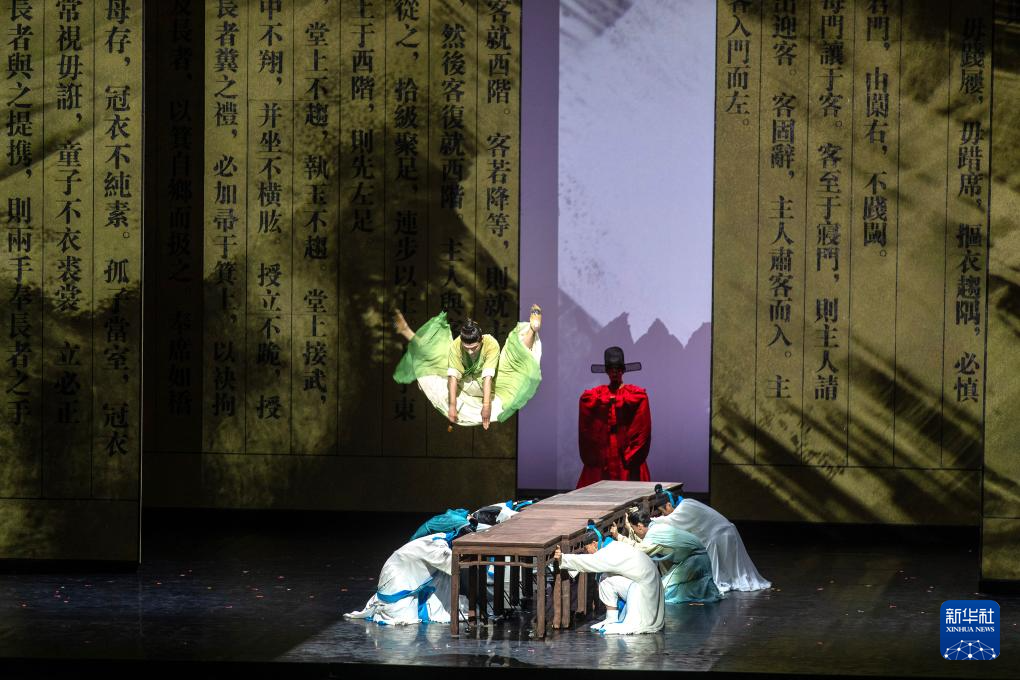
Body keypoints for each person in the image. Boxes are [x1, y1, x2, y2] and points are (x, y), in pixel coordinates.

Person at [393, 306, 542, 429]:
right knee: (434, 359)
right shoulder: (456, 346)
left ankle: (532, 328)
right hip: (465, 385)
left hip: (492, 387)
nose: (470, 352)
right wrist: (452, 406)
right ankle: (406, 330)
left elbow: (487, 378)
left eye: (474, 348)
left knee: (513, 360)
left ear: (481, 340)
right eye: (467, 348)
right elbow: (452, 378)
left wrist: (486, 406)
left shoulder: (491, 343)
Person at [650, 485, 771, 593]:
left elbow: (670, 521)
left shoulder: (683, 509)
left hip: (721, 535)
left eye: (662, 512)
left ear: (669, 505)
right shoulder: (687, 502)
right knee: (734, 569)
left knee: (730, 571)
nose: (663, 515)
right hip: (725, 532)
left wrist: (651, 520)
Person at [344, 526, 473, 625]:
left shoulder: (440, 537)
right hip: (397, 580)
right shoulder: (436, 547)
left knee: (443, 576)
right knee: (401, 613)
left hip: (401, 573)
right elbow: (454, 566)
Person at [553, 529, 664, 635]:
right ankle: (611, 618)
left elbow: (590, 562)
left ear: (594, 544)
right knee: (606, 577)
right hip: (647, 584)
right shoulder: (614, 546)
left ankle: (612, 618)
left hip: (645, 589)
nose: (588, 552)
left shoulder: (609, 552)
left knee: (605, 580)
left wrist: (563, 558)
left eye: (587, 549)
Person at [576, 347, 651, 488]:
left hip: (626, 452)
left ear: (623, 371)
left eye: (618, 369)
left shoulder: (633, 393)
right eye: (611, 369)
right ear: (607, 371)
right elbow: (586, 400)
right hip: (604, 451)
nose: (615, 373)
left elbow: (642, 423)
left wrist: (615, 401)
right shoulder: (599, 393)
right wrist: (607, 401)